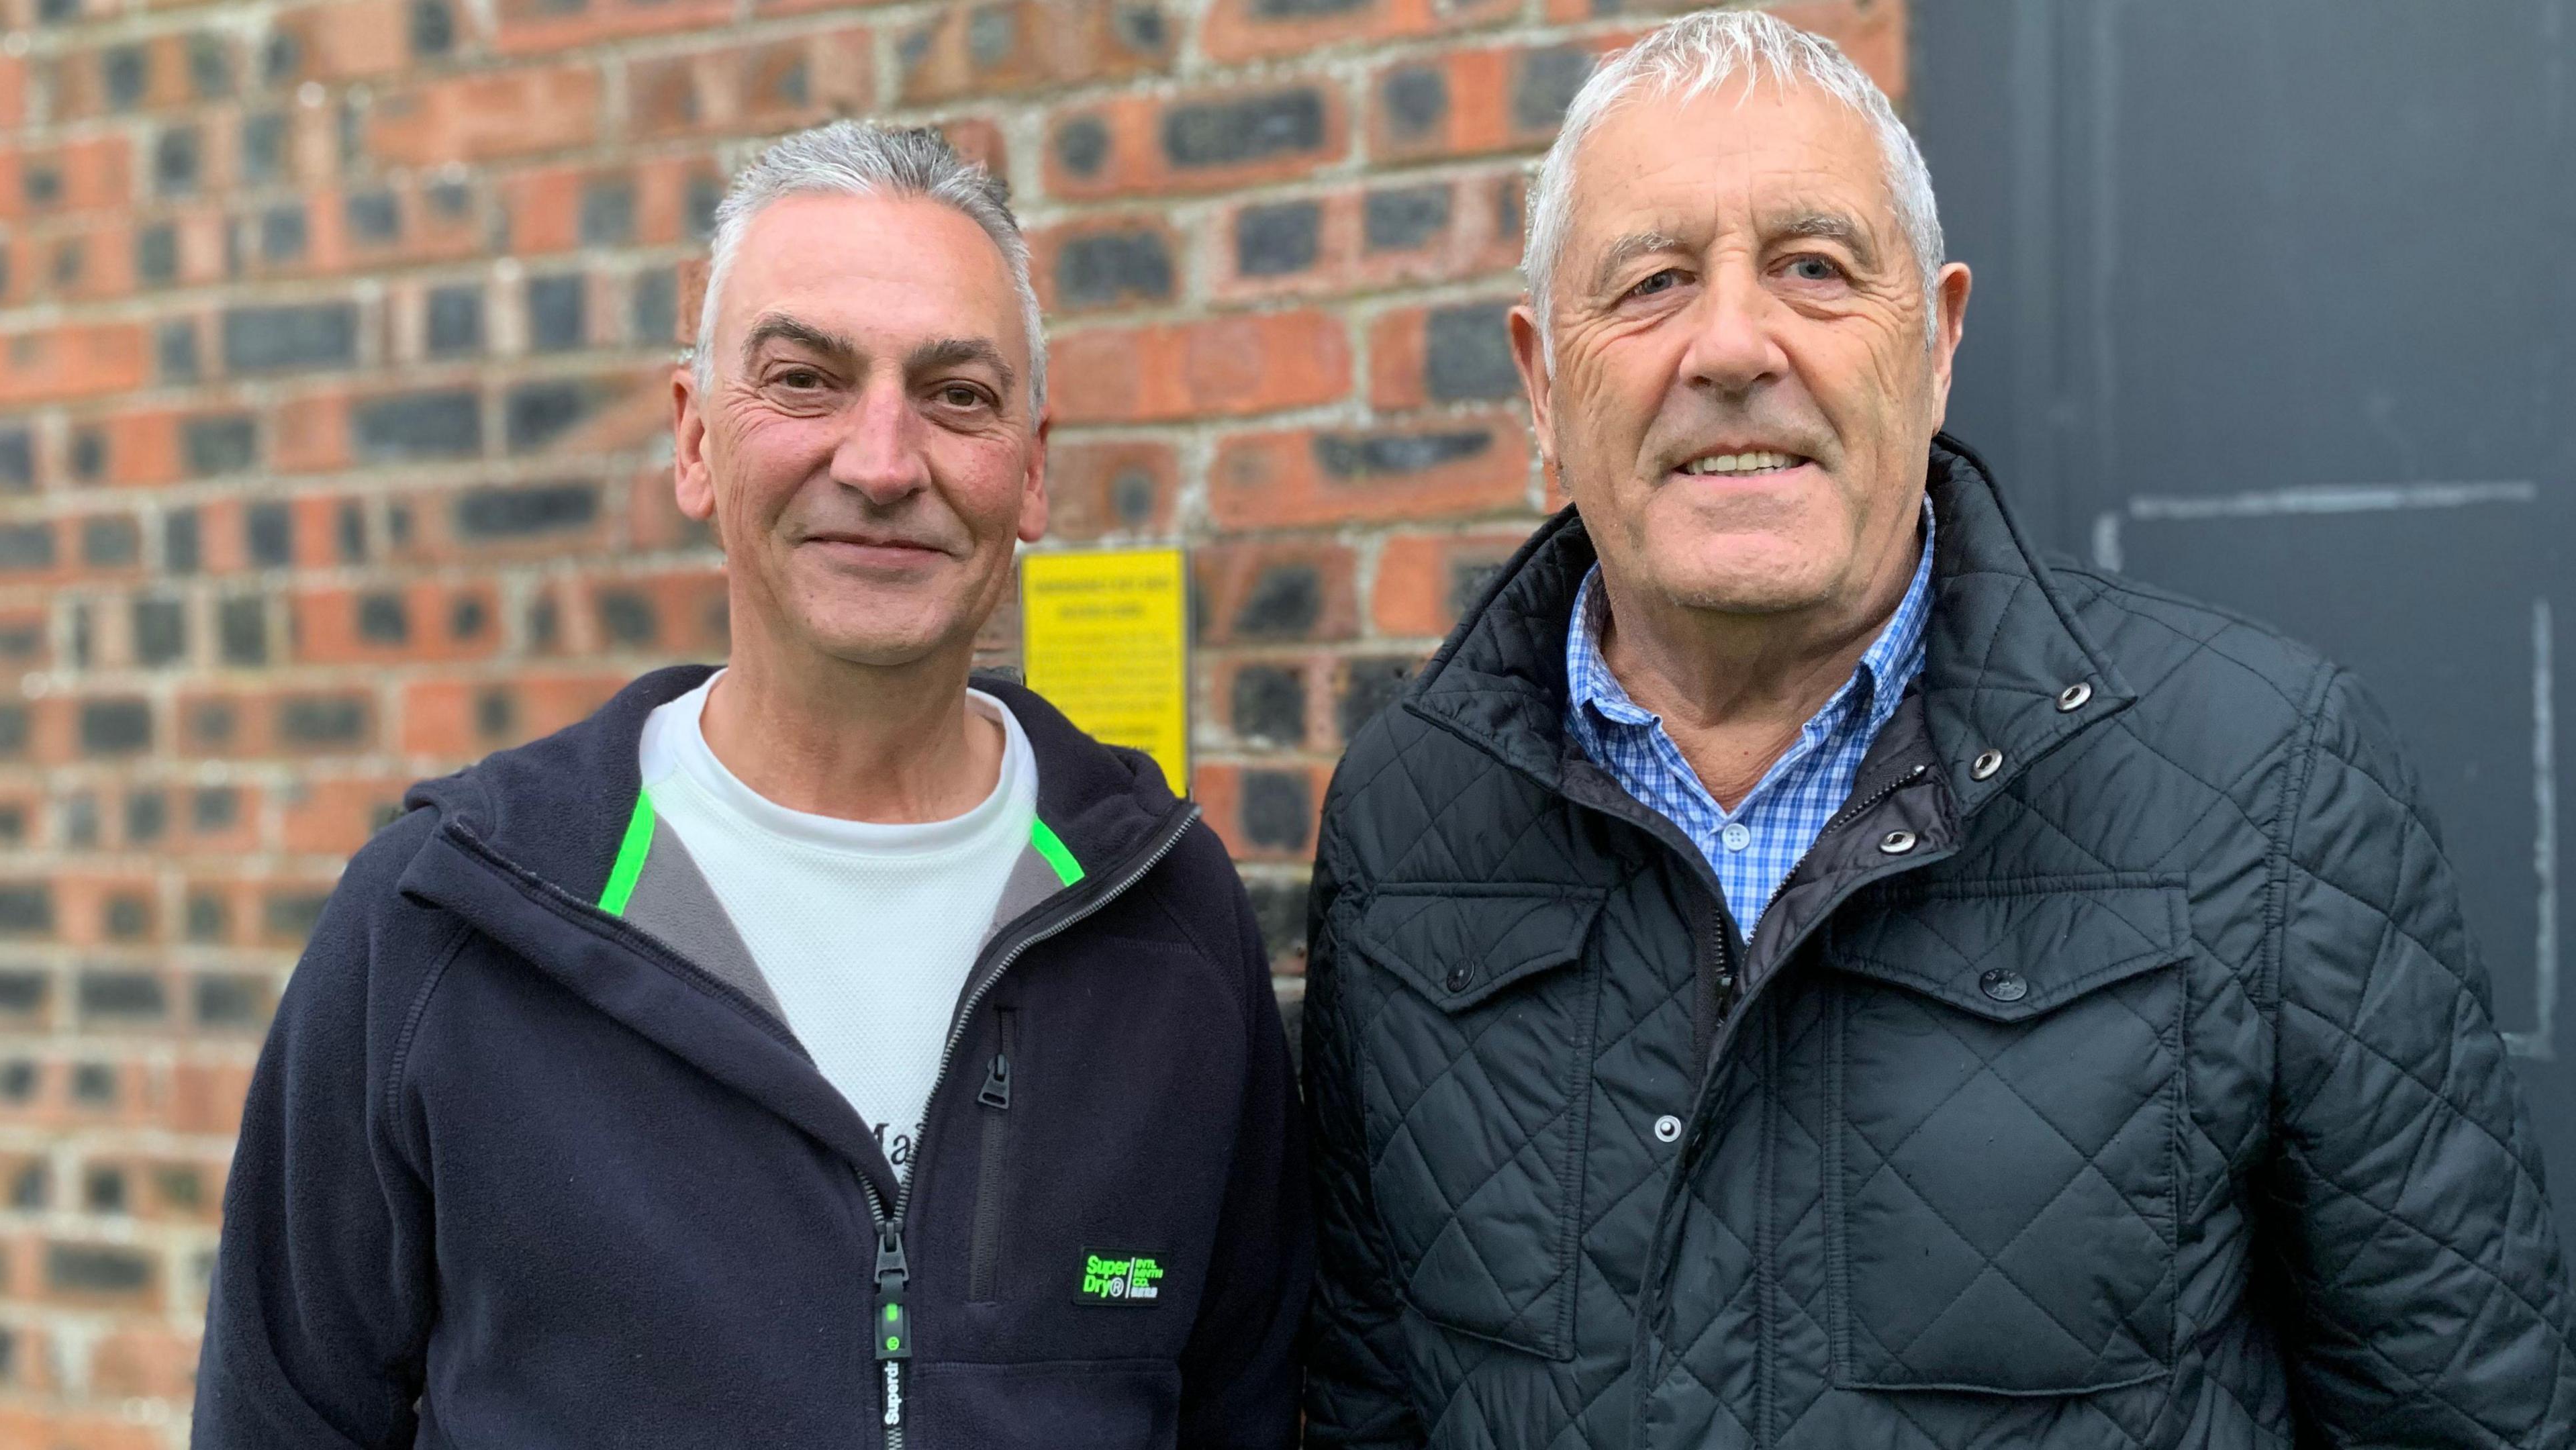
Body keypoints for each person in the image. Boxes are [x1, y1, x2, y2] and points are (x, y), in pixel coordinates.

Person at [1299, 11, 2575, 1449]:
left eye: (1815, 269)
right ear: (1542, 377)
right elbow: (1367, 1399)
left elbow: (2461, 1416)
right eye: (1652, 282)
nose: (1732, 344)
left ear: (1940, 339)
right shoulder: (1407, 818)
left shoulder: (2266, 781)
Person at [195, 122, 1306, 1449]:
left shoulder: (1168, 921)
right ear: (693, 441)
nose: (884, 462)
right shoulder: (440, 927)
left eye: (957, 394)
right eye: (804, 380)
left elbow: (1248, 1410)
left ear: (1031, 469)